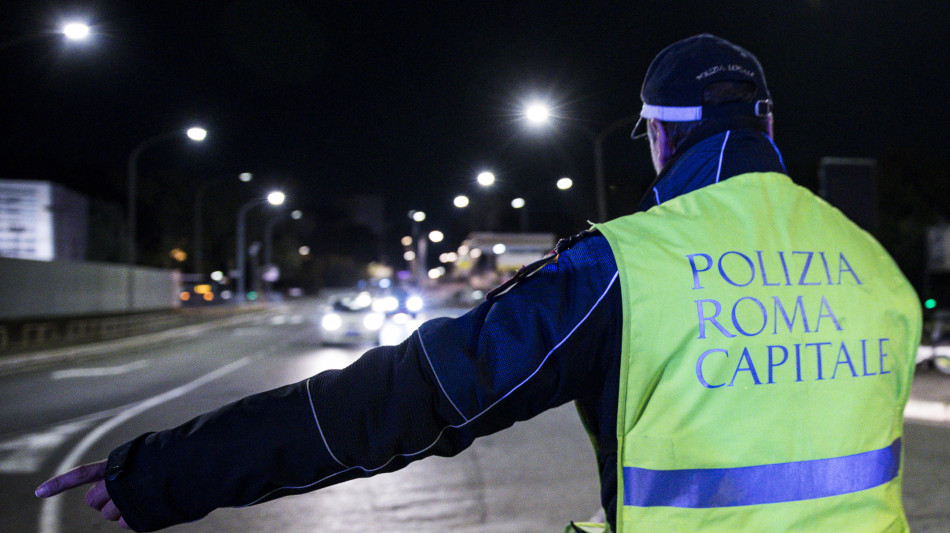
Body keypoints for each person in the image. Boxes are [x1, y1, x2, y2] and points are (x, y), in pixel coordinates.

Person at [36, 34, 921, 532]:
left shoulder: (630, 264)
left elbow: (413, 396)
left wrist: (171, 469)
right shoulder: (874, 266)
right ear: (768, 122)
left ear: (657, 135)